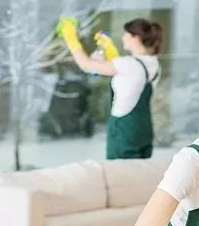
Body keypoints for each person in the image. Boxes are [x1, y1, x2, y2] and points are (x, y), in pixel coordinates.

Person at [56, 17, 162, 160]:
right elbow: (127, 77)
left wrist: (71, 38)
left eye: (126, 34)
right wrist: (109, 50)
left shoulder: (128, 64)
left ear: (136, 38)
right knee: (138, 174)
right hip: (143, 130)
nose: (123, 37)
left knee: (120, 176)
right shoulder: (153, 63)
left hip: (124, 130)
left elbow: (86, 65)